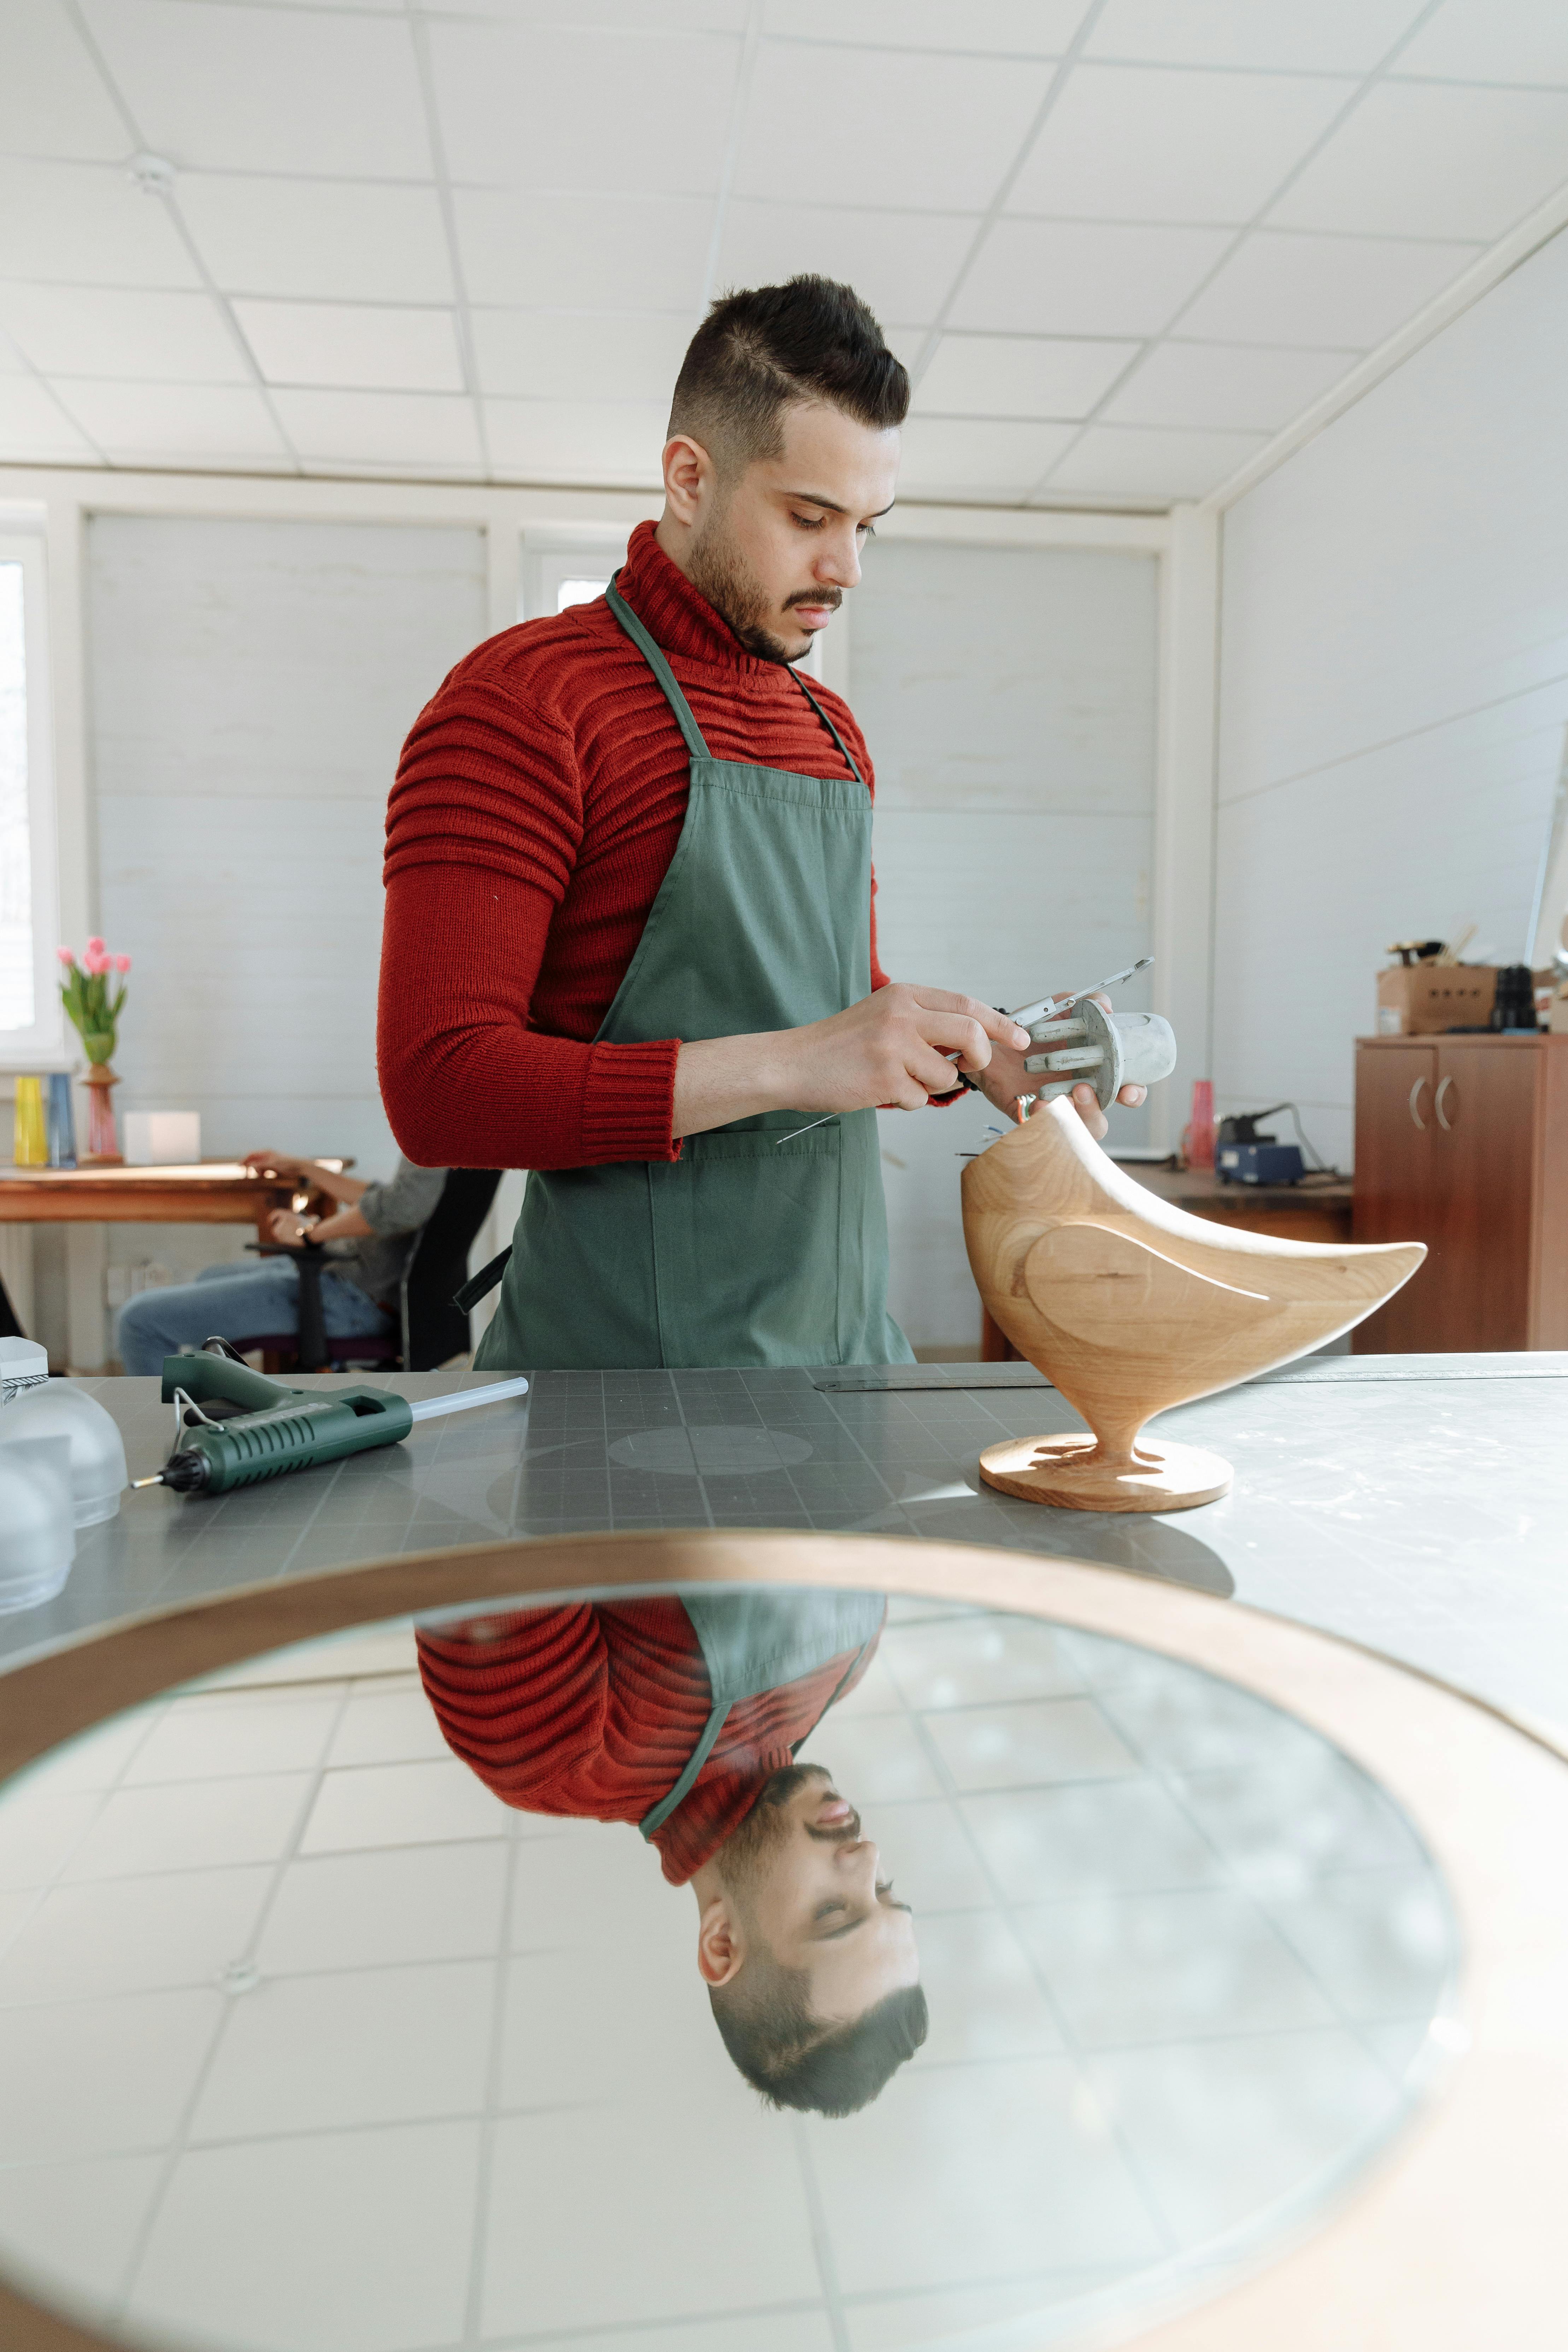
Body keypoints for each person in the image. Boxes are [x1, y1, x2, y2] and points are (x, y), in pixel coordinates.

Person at [378, 274, 1144, 1372]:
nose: (848, 568)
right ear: (689, 476)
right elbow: (440, 1088)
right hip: (623, 1384)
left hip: (843, 1356)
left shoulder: (829, 729)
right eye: (808, 517)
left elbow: (831, 1013)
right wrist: (795, 1064)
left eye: (868, 526)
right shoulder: (522, 703)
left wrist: (992, 1056)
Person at [416, 1589, 925, 2116]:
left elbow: (495, 1522)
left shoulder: (553, 1746)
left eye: (833, 1910)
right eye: (884, 1890)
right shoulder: (853, 1661)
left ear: (723, 1941)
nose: (868, 1855)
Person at [115, 1151, 445, 1375]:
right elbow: (390, 1199)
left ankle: (177, 1443)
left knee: (139, 1321)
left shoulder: (435, 1124)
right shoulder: (458, 1127)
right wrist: (305, 1168)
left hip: (351, 1298)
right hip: (345, 1275)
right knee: (208, 1277)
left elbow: (402, 1207)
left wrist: (308, 1233)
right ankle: (208, 1417)